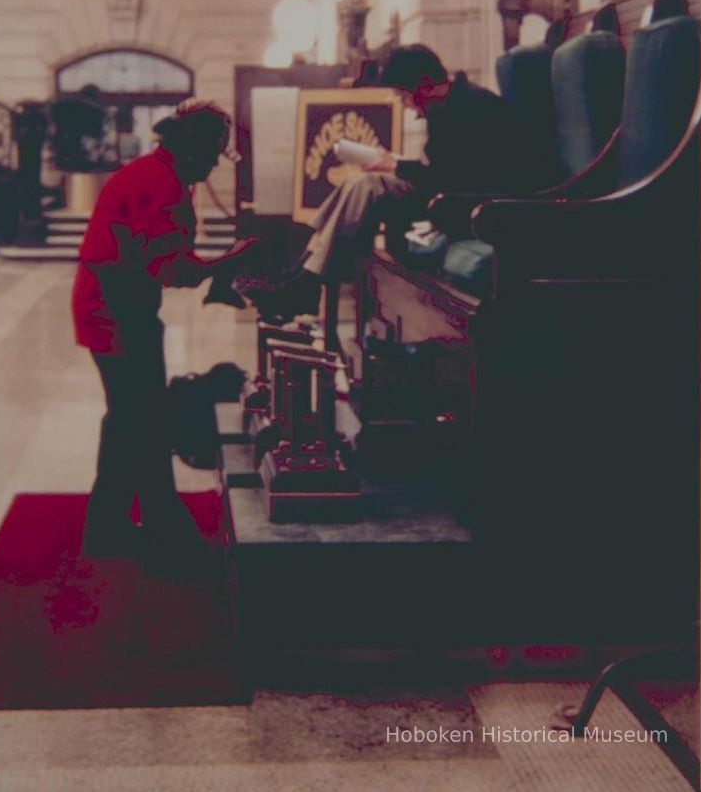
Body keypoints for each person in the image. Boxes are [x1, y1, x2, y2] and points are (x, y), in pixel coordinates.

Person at [71, 99, 255, 564]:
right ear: (193, 148)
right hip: (117, 315)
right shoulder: (163, 185)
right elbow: (171, 271)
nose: (216, 163)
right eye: (214, 153)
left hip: (115, 309)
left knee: (132, 420)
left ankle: (121, 525)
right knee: (139, 421)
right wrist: (231, 260)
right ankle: (147, 528)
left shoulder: (156, 173)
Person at [249, 45, 528, 321]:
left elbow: (455, 176)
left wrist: (395, 165)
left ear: (423, 85)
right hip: (448, 193)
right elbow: (446, 169)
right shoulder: (450, 104)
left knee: (368, 186)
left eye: (403, 96)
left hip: (469, 203)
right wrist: (397, 164)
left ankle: (303, 282)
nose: (406, 106)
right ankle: (301, 278)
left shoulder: (472, 106)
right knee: (360, 183)